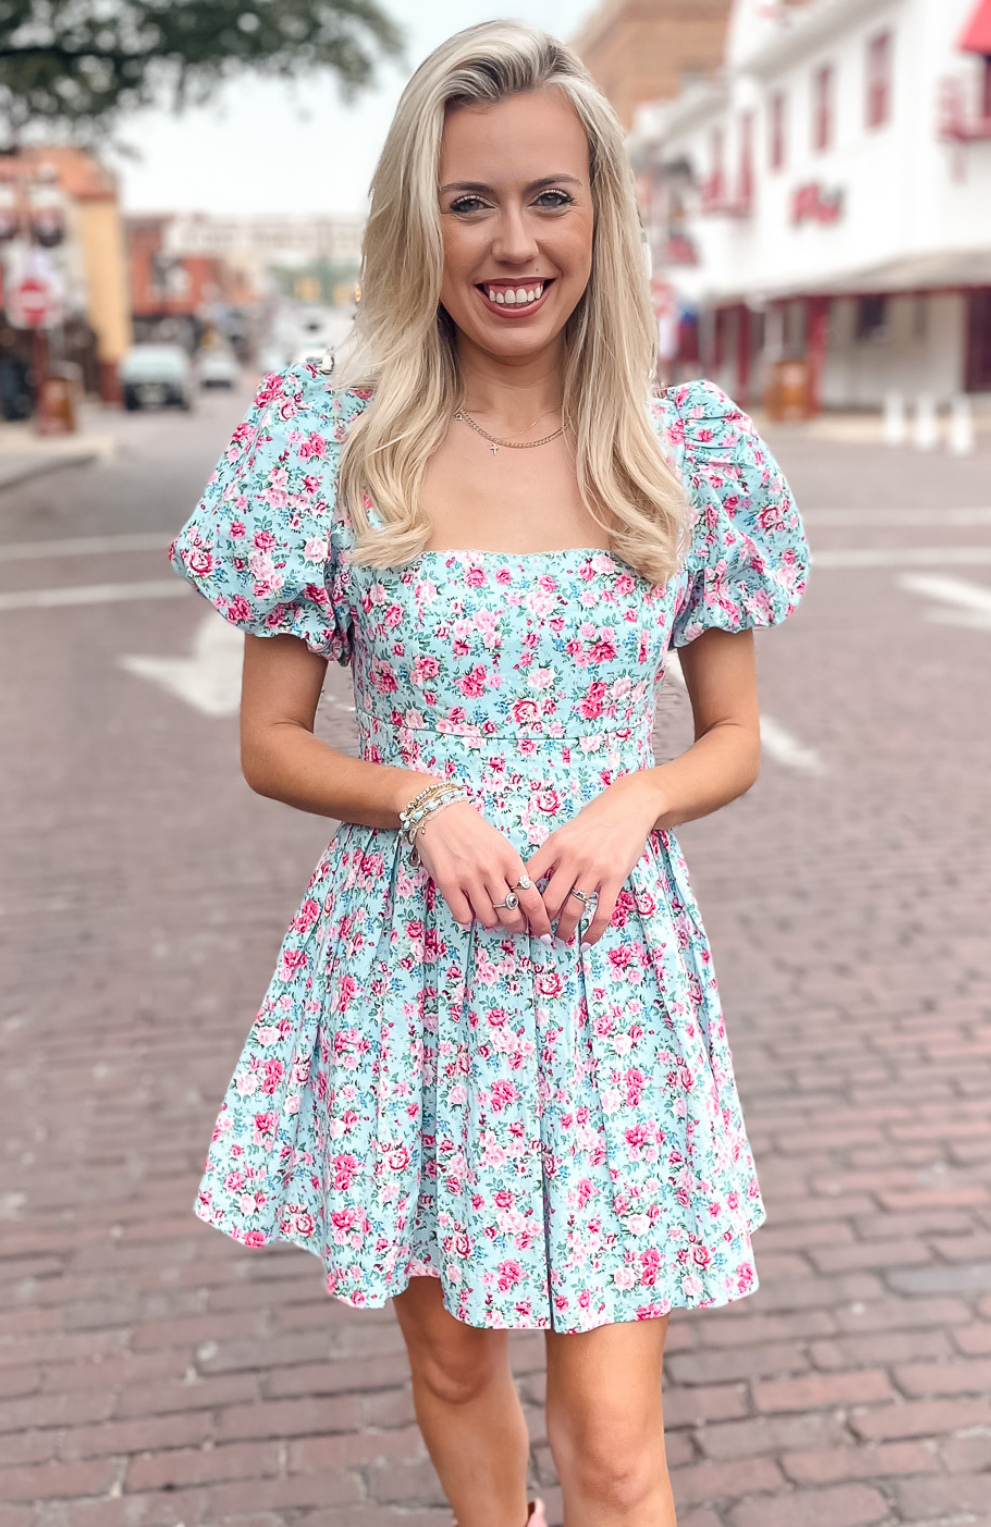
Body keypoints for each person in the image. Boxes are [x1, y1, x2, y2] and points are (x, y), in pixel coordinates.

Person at [169, 20, 809, 1527]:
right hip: (412, 962)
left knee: (613, 1440)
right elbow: (271, 743)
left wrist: (635, 792)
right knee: (457, 1363)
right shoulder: (336, 447)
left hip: (607, 974)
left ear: (602, 218)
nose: (514, 243)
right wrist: (419, 794)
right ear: (422, 220)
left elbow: (732, 737)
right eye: (472, 202)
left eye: (549, 199)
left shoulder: (678, 449)